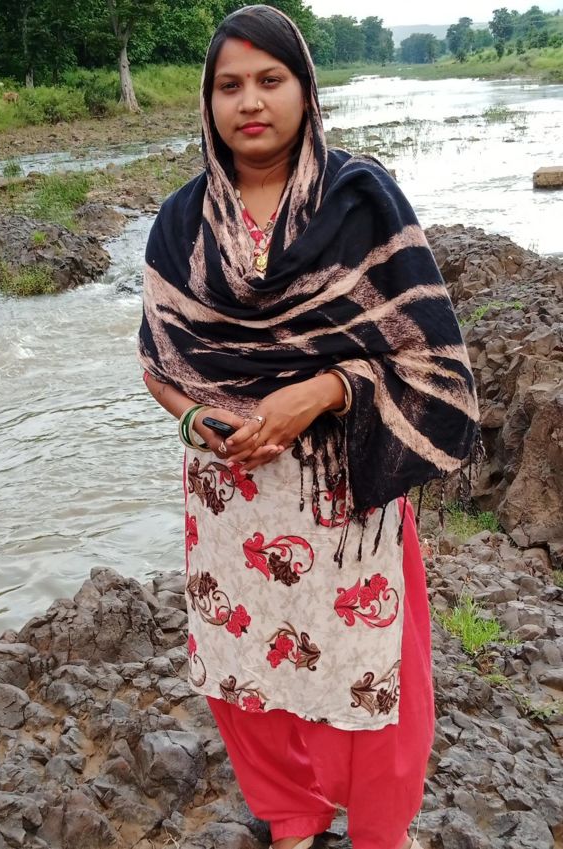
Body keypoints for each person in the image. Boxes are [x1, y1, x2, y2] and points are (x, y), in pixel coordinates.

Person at [138, 6, 479, 849]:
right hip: (232, 494)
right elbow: (158, 361)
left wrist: (322, 391)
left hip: (345, 495)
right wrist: (197, 419)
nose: (250, 101)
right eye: (229, 85)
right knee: (246, 670)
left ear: (306, 89)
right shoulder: (182, 222)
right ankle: (291, 820)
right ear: (208, 102)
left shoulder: (359, 200)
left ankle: (379, 832)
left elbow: (425, 351)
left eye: (270, 79)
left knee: (374, 674)